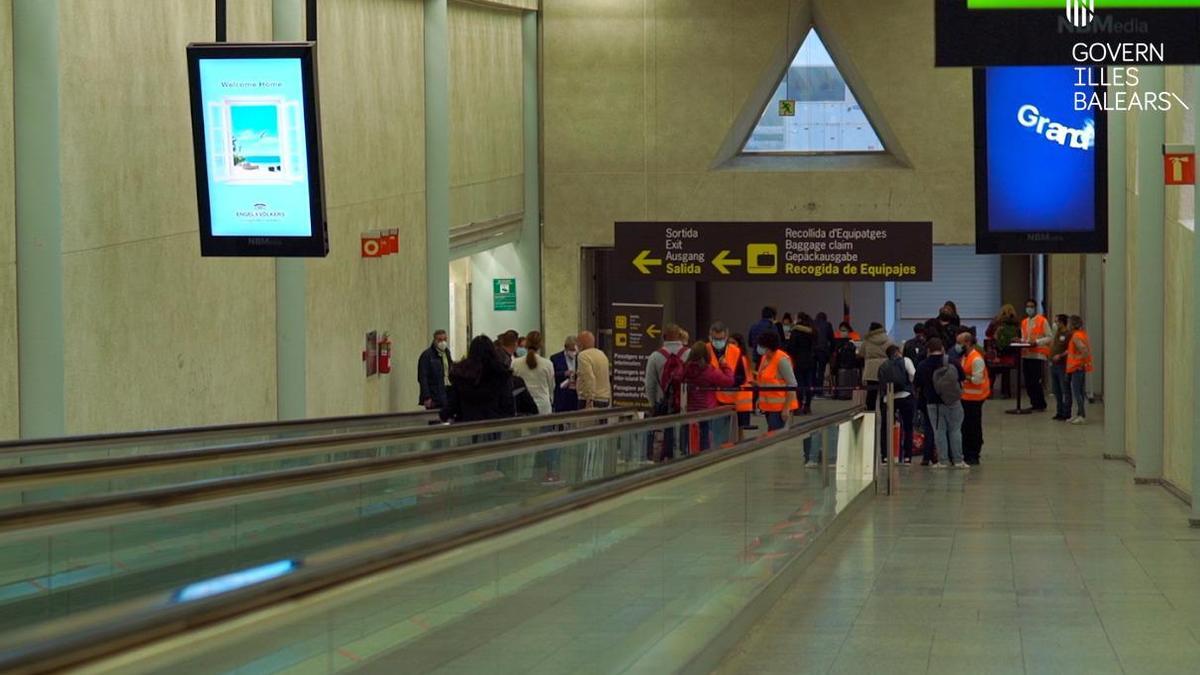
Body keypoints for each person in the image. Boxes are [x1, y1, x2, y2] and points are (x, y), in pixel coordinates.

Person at [914, 338, 968, 469]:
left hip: (933, 404)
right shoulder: (952, 362)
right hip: (953, 402)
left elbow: (917, 384)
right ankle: (958, 460)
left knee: (939, 432)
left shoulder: (922, 365)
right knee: (955, 430)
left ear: (928, 350)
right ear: (942, 349)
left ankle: (943, 461)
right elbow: (962, 378)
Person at [440, 335, 515, 423]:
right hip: (495, 426)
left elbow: (452, 406)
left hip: (466, 427)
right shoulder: (502, 375)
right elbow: (508, 406)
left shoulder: (461, 376)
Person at [683, 340, 735, 450]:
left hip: (690, 410)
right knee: (705, 437)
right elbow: (729, 381)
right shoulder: (709, 371)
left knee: (691, 437)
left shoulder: (686, 369)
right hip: (707, 410)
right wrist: (725, 366)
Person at [876, 344, 917, 465]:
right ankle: (907, 457)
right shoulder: (906, 360)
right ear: (898, 351)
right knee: (908, 426)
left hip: (888, 399)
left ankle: (885, 457)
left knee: (885, 427)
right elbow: (913, 375)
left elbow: (881, 382)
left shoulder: (883, 365)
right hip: (905, 396)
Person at [957, 329, 990, 465]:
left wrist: (964, 377)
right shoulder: (965, 356)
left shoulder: (976, 359)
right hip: (965, 397)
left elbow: (977, 379)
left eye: (959, 343)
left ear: (968, 343)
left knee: (973, 426)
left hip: (975, 398)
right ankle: (966, 451)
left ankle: (974, 453)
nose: (957, 346)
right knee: (965, 426)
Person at [706, 321, 747, 431]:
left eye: (721, 339)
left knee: (727, 435)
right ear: (710, 337)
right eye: (715, 339)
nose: (718, 342)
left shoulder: (735, 351)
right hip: (710, 401)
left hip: (730, 401)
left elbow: (742, 377)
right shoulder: (705, 350)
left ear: (726, 336)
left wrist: (728, 382)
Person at [756, 331, 798, 431]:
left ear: (768, 347)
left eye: (761, 345)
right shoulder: (765, 358)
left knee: (775, 436)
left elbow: (792, 385)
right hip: (768, 407)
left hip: (780, 408)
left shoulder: (782, 360)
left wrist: (786, 408)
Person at [511, 330, 555, 415]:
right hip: (543, 406)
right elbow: (551, 386)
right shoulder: (548, 364)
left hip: (523, 408)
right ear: (541, 345)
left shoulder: (515, 363)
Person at [1020, 298, 1052, 411]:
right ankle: (1033, 403)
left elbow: (1049, 337)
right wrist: (1020, 340)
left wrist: (1037, 342)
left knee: (1035, 381)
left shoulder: (1042, 321)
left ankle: (1040, 404)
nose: (1029, 308)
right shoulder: (1024, 322)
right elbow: (1025, 337)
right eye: (1027, 306)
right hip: (1026, 354)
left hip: (1037, 355)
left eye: (1031, 306)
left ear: (1035, 308)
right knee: (1028, 382)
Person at [857, 321, 894, 414]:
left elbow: (861, 353)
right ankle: (884, 414)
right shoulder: (888, 339)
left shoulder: (867, 341)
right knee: (884, 393)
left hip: (871, 370)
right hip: (885, 368)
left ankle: (870, 415)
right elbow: (893, 352)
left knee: (871, 394)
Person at [787, 313, 816, 414]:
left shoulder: (796, 332)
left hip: (798, 360)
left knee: (799, 383)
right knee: (808, 383)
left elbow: (791, 347)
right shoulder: (812, 331)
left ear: (799, 319)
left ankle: (798, 406)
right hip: (810, 360)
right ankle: (807, 406)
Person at [1065, 315, 1092, 424]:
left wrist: (1078, 359)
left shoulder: (1076, 336)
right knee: (1079, 391)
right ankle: (1078, 414)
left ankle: (1081, 415)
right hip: (1078, 368)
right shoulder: (1081, 334)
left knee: (1077, 392)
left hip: (1077, 368)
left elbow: (1084, 350)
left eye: (1068, 323)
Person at [417, 329, 452, 410]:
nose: (443, 342)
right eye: (440, 340)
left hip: (446, 394)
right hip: (433, 397)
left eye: (445, 339)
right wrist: (427, 397)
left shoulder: (446, 353)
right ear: (434, 340)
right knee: (434, 420)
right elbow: (422, 377)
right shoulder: (427, 355)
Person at [575, 331, 611, 409]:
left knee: (586, 421)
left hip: (590, 400)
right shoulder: (602, 354)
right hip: (604, 398)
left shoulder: (583, 355)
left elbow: (589, 378)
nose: (576, 345)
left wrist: (589, 399)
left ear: (581, 344)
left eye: (577, 342)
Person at [729, 333, 757, 429]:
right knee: (740, 430)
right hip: (744, 398)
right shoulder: (744, 358)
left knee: (738, 429)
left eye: (733, 343)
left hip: (740, 398)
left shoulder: (740, 359)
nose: (731, 345)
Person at [1048, 314, 1073, 421]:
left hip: (1062, 365)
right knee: (1056, 390)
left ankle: (1066, 412)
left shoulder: (1068, 334)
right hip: (1054, 364)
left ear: (1062, 322)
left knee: (1065, 389)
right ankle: (1059, 411)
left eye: (1057, 321)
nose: (1055, 323)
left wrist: (1060, 355)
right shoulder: (1057, 333)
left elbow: (1070, 350)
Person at [550, 336, 579, 413]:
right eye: (571, 350)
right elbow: (552, 375)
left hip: (576, 393)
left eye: (575, 350)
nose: (574, 352)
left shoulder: (580, 357)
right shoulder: (555, 358)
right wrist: (564, 373)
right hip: (561, 395)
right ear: (566, 348)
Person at [812, 312, 835, 397]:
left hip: (813, 351)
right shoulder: (828, 325)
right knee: (821, 371)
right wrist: (831, 351)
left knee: (813, 371)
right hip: (823, 351)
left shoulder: (812, 324)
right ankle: (819, 391)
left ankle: (812, 390)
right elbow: (832, 339)